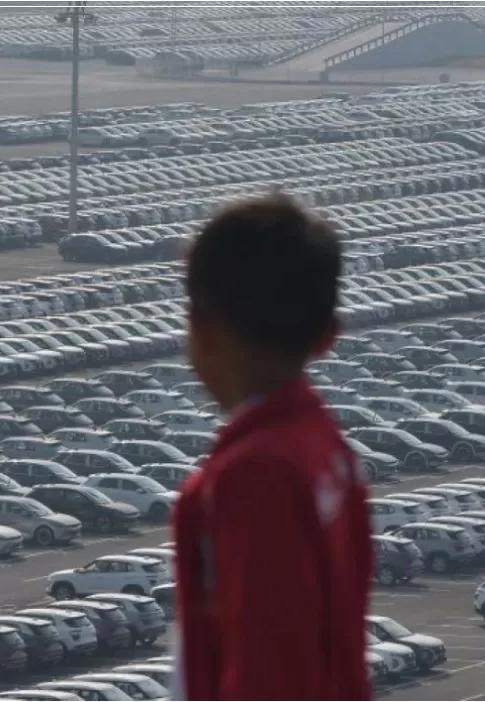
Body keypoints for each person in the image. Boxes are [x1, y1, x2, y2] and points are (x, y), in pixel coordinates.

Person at [172, 193, 373, 701]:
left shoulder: (253, 474)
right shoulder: (322, 447)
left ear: (203, 329)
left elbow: (269, 673)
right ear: (327, 336)